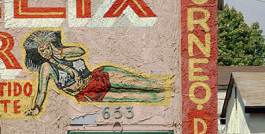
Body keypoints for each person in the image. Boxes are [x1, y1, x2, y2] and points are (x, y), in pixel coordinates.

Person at [22, 29, 172, 116]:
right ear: (37, 53)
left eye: (47, 47)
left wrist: (59, 51)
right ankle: (169, 99)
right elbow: (42, 91)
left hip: (98, 76)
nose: (45, 52)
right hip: (88, 93)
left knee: (144, 83)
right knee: (140, 96)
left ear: (51, 44)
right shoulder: (46, 68)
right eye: (41, 50)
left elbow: (80, 51)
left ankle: (173, 89)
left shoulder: (63, 52)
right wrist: (37, 108)